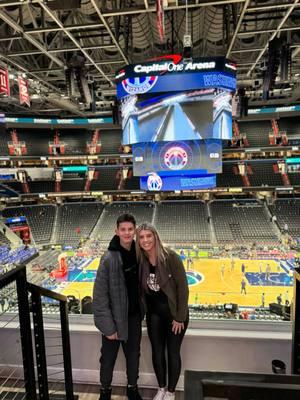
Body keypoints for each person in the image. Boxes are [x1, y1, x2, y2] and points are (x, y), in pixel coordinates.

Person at [136, 223, 189, 400]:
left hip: (174, 315)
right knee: (157, 352)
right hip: (154, 315)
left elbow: (183, 288)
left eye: (148, 236)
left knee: (173, 352)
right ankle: (161, 388)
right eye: (141, 237)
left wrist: (180, 317)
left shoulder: (170, 257)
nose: (145, 240)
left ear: (155, 237)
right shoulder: (141, 260)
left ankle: (171, 392)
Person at [93, 214, 143, 400]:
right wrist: (108, 327)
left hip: (133, 318)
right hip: (113, 321)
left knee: (133, 357)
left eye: (130, 229)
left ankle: (132, 389)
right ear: (117, 231)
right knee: (107, 360)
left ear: (135, 230)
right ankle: (105, 392)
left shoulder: (139, 254)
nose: (127, 233)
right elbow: (99, 296)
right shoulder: (108, 258)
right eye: (123, 229)